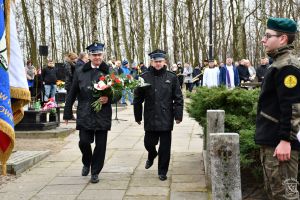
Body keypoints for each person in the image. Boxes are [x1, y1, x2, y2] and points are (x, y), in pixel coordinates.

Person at [255, 17, 300, 199]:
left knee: (285, 195)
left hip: (280, 145)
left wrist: (285, 140)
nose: (263, 40)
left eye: (267, 35)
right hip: (273, 141)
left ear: (282, 39)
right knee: (275, 192)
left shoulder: (287, 66)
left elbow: (293, 107)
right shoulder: (279, 63)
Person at [63, 42, 112, 184]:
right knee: (84, 142)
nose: (97, 57)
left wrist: (108, 98)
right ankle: (87, 161)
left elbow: (117, 93)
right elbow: (72, 93)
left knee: (101, 145)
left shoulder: (108, 71)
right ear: (89, 56)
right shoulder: (80, 71)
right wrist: (67, 113)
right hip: (85, 112)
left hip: (103, 114)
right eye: (94, 55)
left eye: (99, 54)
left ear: (102, 55)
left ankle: (95, 172)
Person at [133, 49, 183, 181]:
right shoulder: (144, 77)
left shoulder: (172, 77)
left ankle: (162, 171)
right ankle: (152, 154)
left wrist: (178, 116)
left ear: (164, 61)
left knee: (165, 147)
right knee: (148, 143)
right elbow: (137, 98)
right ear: (152, 62)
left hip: (166, 116)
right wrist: (138, 116)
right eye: (155, 62)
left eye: (160, 61)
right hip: (150, 116)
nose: (158, 64)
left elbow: (178, 98)